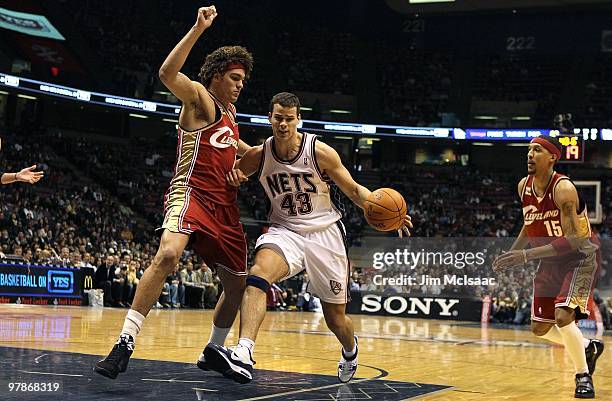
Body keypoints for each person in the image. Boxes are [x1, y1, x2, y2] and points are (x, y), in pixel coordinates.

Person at [203, 92, 412, 383]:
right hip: (285, 231)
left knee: (335, 319)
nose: (284, 124)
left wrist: (382, 209)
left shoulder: (320, 152)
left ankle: (350, 350)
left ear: (298, 119)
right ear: (270, 119)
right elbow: (230, 174)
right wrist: (235, 177)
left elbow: (353, 189)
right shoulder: (259, 155)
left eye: (289, 119)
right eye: (278, 118)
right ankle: (243, 351)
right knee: (258, 276)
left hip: (325, 235)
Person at [94, 5, 253, 379]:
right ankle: (125, 343)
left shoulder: (231, 119)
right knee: (167, 253)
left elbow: (246, 155)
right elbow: (167, 73)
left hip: (224, 207)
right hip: (192, 193)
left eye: (243, 80)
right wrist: (198, 28)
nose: (240, 85)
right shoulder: (200, 98)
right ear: (216, 77)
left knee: (237, 287)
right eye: (234, 77)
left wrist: (293, 157)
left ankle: (214, 350)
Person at [493, 135, 604, 399]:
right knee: (539, 328)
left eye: (537, 150)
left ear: (552, 157)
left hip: (580, 258)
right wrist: (513, 252)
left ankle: (583, 376)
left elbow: (573, 239)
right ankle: (588, 346)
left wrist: (526, 256)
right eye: (529, 150)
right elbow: (530, 223)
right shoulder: (524, 186)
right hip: (550, 259)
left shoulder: (563, 189)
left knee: (563, 318)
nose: (530, 155)